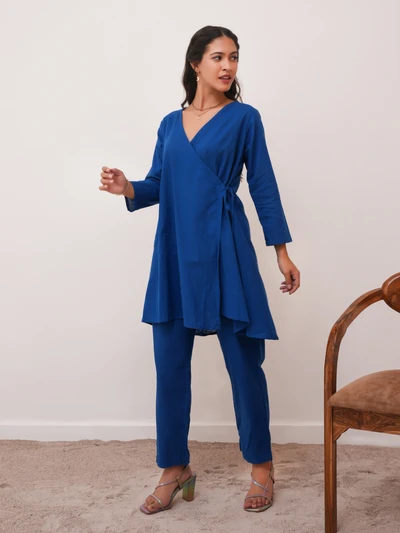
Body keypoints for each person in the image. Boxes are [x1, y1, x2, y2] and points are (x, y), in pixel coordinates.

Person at [99, 25, 300, 515]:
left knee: (244, 364)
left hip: (226, 249)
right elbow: (159, 183)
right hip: (174, 252)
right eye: (218, 57)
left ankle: (261, 466)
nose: (228, 66)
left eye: (234, 57)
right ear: (195, 64)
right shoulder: (170, 124)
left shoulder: (245, 118)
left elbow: (264, 185)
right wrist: (129, 188)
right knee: (169, 367)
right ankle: (175, 468)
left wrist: (281, 251)